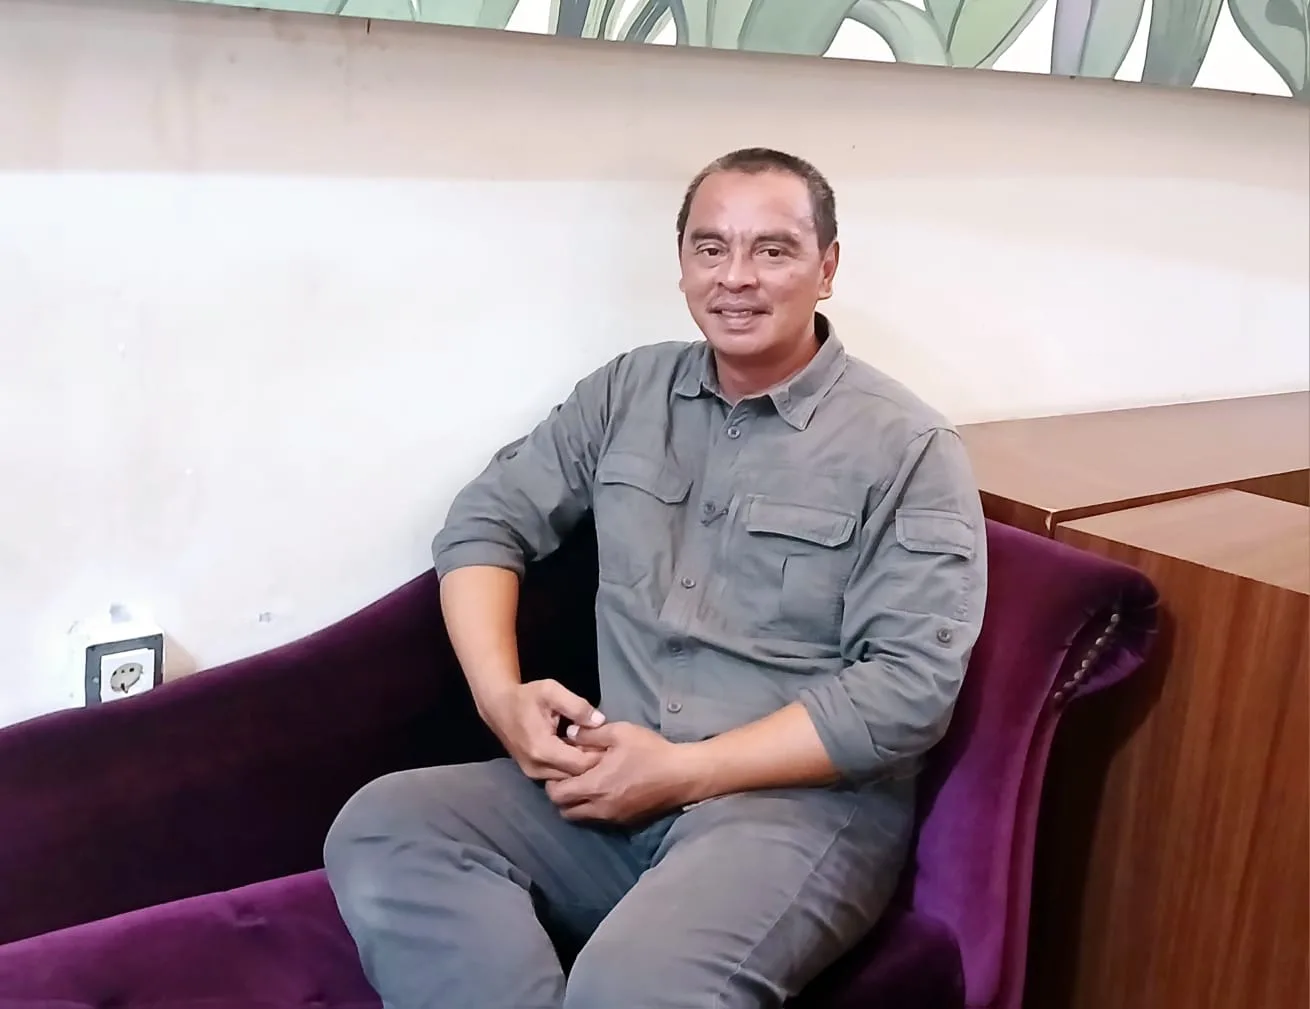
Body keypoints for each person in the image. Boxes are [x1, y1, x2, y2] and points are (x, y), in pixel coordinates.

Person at [323, 147, 988, 1009]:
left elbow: (907, 690)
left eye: (773, 249)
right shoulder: (628, 391)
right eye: (711, 248)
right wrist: (501, 699)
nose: (736, 277)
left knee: (630, 987)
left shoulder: (909, 447)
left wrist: (686, 771)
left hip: (792, 811)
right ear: (682, 265)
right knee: (388, 822)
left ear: (826, 268)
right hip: (612, 775)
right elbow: (486, 521)